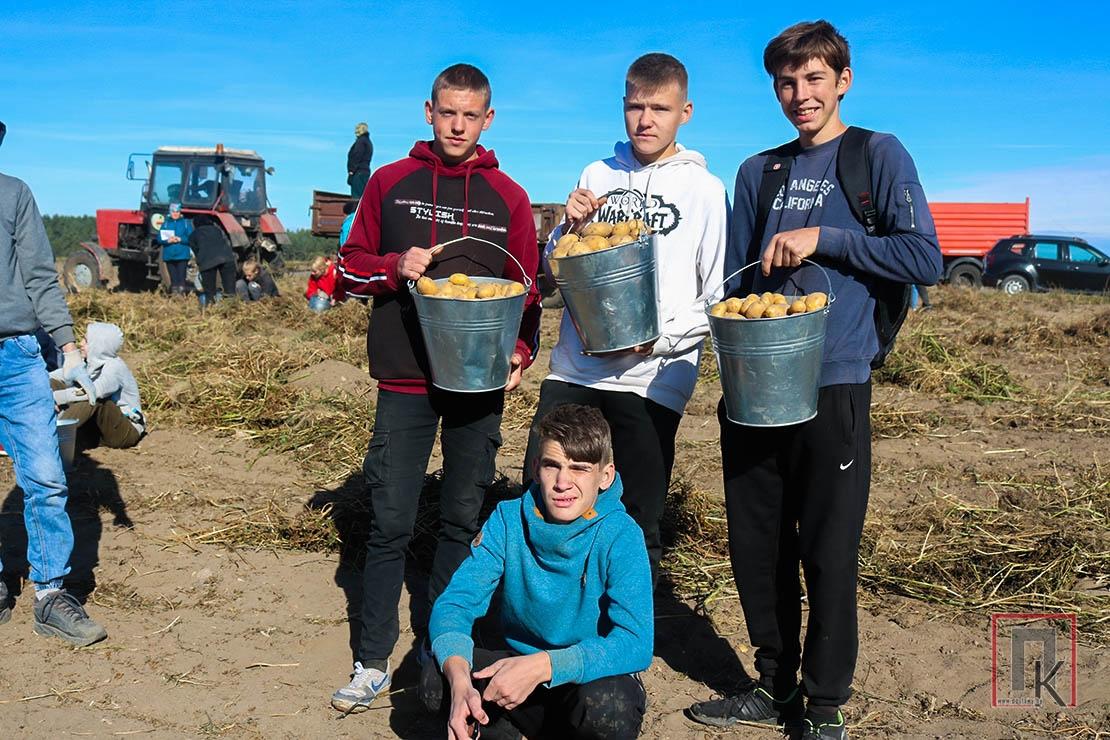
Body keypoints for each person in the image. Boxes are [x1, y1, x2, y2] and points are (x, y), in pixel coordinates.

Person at [685, 21, 942, 740]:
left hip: (834, 381)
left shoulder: (875, 155)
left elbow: (924, 256)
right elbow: (733, 281)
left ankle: (824, 706)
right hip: (755, 387)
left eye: (814, 79)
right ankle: (773, 687)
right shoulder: (758, 171)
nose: (800, 94)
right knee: (756, 546)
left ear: (843, 80)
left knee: (827, 549)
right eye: (786, 82)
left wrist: (823, 239)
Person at [332, 63, 540, 713]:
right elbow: (347, 269)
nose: (457, 126)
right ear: (429, 111)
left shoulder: (509, 197)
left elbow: (528, 294)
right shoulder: (391, 183)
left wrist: (522, 350)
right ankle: (371, 660)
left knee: (460, 520)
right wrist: (394, 266)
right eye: (447, 112)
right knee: (389, 522)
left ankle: (439, 651)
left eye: (470, 115)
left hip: (478, 386)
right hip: (405, 379)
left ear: (488, 119)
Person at [522, 53, 729, 583]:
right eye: (636, 107)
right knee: (547, 495)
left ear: (685, 112)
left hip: (653, 377)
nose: (646, 120)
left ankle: (630, 620)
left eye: (660, 109)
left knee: (636, 511)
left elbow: (717, 296)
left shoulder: (705, 191)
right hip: (577, 366)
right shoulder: (597, 174)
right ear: (622, 107)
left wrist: (656, 341)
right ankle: (542, 606)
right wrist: (564, 229)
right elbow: (560, 269)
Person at [421, 404, 651, 739]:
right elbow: (455, 603)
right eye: (552, 465)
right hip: (517, 673)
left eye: (579, 468)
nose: (562, 483)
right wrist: (459, 682)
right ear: (535, 467)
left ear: (605, 476)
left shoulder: (622, 534)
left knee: (610, 705)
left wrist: (545, 665)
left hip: (584, 678)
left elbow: (635, 642)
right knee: (437, 678)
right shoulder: (508, 519)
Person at [0, 119, 108, 645]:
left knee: (45, 476)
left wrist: (66, 347)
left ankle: (50, 595)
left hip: (18, 355)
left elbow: (40, 274)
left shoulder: (14, 193)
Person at [51, 322, 145, 450]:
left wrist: (55, 397)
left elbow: (94, 392)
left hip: (124, 432)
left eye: (86, 341)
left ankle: (55, 434)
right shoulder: (88, 363)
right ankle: (42, 424)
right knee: (52, 383)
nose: (81, 343)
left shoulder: (115, 367)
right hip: (98, 430)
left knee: (94, 399)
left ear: (99, 345)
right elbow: (57, 376)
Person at [189, 221, 237, 306]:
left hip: (207, 261)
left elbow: (195, 250)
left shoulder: (194, 234)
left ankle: (210, 306)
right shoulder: (217, 230)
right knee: (230, 291)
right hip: (227, 258)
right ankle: (232, 306)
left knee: (210, 292)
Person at [158, 203, 193, 295]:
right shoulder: (165, 224)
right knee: (173, 279)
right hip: (169, 255)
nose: (175, 213)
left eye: (177, 211)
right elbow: (159, 238)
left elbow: (192, 238)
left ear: (180, 212)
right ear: (170, 212)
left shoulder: (186, 223)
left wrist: (181, 239)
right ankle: (174, 296)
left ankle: (181, 296)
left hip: (182, 255)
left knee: (181, 278)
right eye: (173, 211)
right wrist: (167, 241)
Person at [347, 122, 373, 197]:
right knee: (363, 196)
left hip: (358, 172)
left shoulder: (361, 142)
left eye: (357, 129)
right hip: (365, 171)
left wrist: (351, 170)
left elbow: (357, 155)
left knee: (357, 197)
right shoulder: (368, 142)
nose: (355, 131)